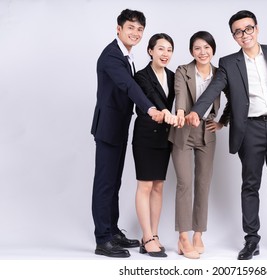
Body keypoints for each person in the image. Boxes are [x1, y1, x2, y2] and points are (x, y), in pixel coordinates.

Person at [185, 10, 267, 260]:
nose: (244, 34)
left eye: (248, 28)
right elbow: (213, 89)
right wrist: (197, 111)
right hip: (249, 130)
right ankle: (251, 240)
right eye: (238, 31)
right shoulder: (230, 63)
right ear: (234, 36)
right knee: (250, 186)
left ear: (257, 29)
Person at [90, 9, 164, 258]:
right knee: (105, 183)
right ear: (118, 29)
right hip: (108, 127)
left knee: (115, 182)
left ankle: (112, 231)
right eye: (130, 28)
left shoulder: (127, 56)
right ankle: (103, 239)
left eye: (140, 29)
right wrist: (150, 108)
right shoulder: (112, 55)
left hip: (119, 127)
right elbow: (128, 85)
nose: (135, 33)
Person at [169, 31, 229, 259]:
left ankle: (198, 233)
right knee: (184, 183)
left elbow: (234, 98)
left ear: (213, 49)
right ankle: (183, 236)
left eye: (206, 47)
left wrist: (223, 121)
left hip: (207, 132)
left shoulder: (220, 74)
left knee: (203, 183)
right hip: (184, 129)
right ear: (191, 51)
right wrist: (183, 113)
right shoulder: (183, 71)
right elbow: (180, 96)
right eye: (197, 48)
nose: (202, 52)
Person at [132, 33, 177, 258]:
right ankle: (147, 236)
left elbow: (181, 99)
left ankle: (154, 235)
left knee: (158, 186)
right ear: (150, 51)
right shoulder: (141, 76)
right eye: (161, 49)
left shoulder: (172, 76)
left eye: (169, 49)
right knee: (145, 186)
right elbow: (150, 97)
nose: (165, 54)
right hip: (145, 136)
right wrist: (165, 111)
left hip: (164, 137)